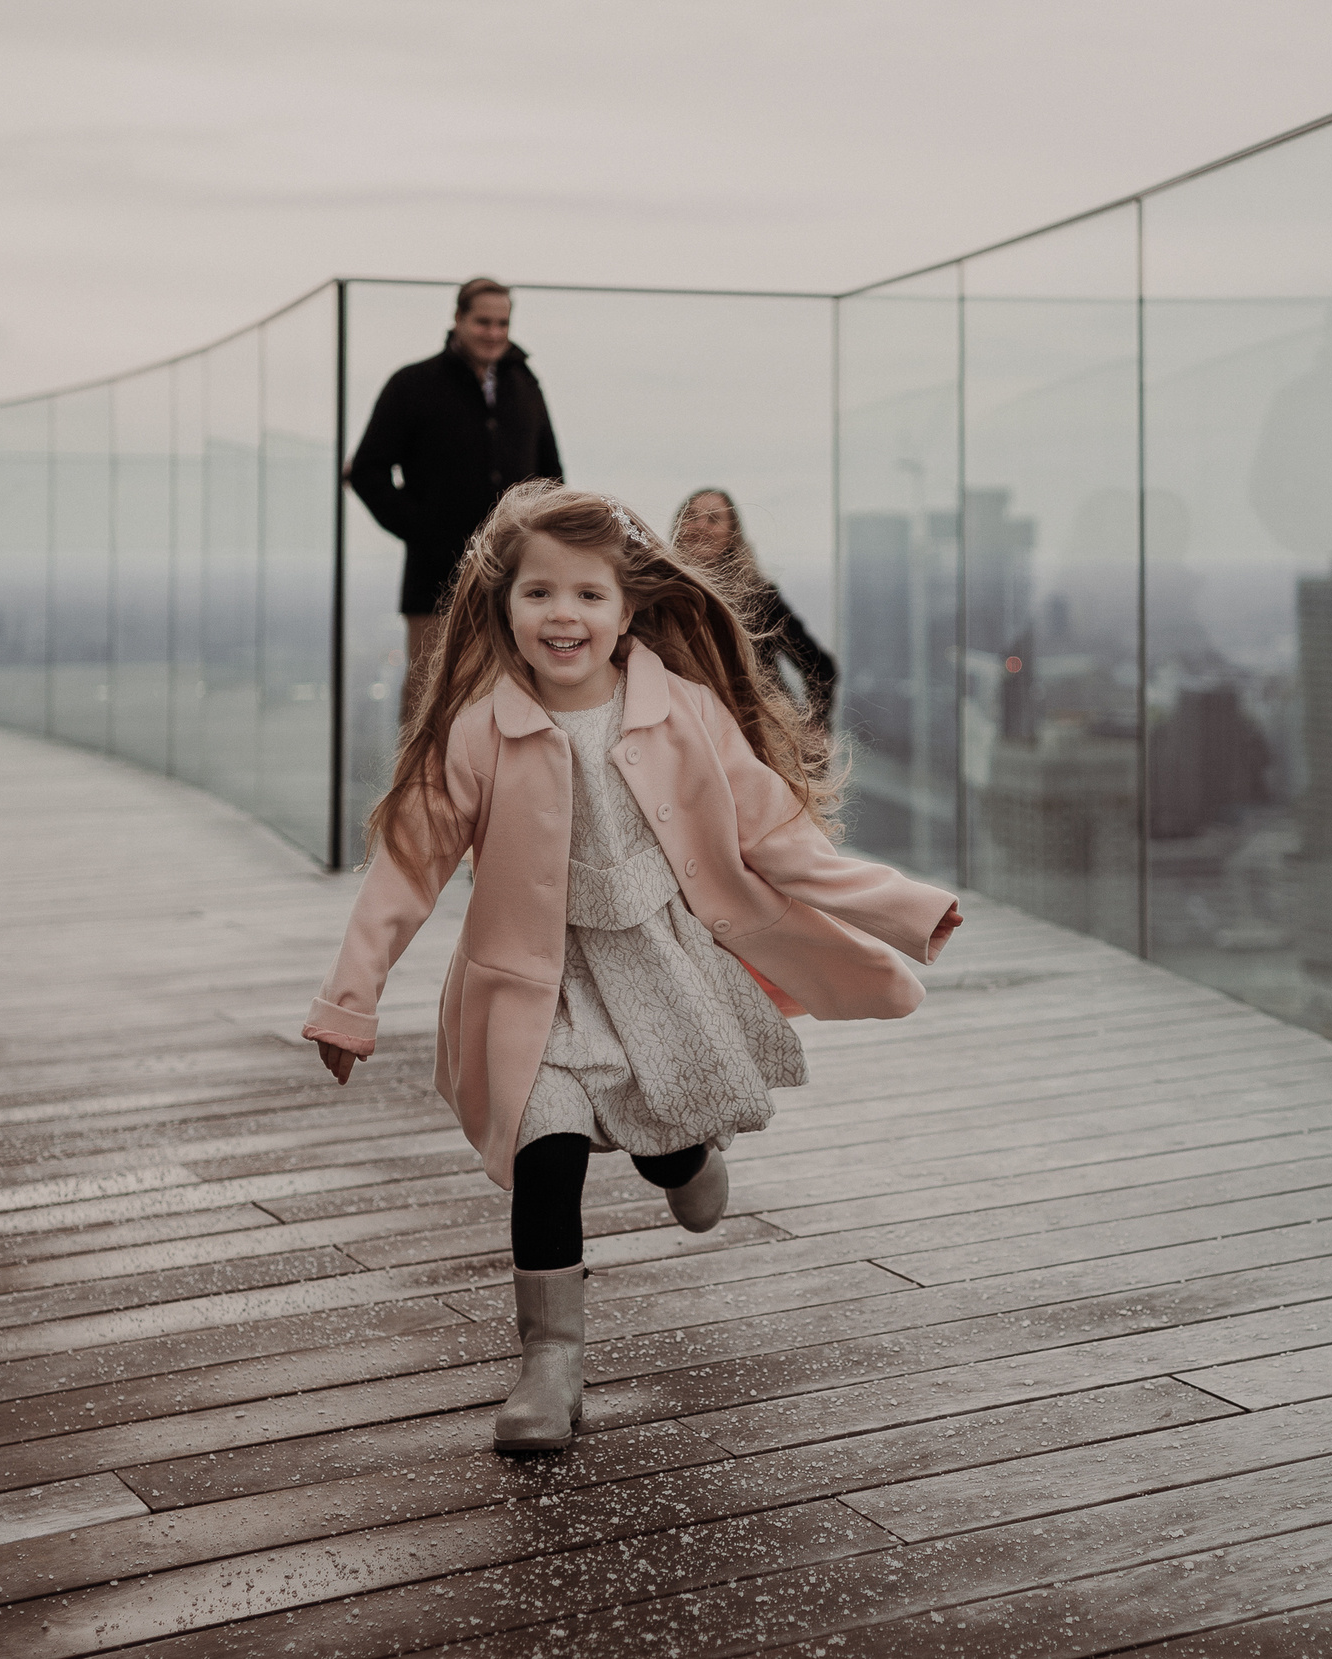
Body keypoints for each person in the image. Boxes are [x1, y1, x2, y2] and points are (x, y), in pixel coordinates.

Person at [302, 483, 962, 1453]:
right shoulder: (480, 730)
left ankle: (685, 1158)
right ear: (504, 605)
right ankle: (550, 1365)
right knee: (546, 1152)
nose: (561, 615)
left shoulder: (682, 711)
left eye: (587, 595)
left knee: (662, 1137)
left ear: (627, 610)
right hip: (536, 987)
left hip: (657, 968)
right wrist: (348, 1001)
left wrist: (901, 907)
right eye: (538, 593)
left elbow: (778, 838)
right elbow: (407, 866)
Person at [348, 278, 564, 713]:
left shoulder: (525, 385)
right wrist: (423, 530)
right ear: (458, 319)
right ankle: (422, 766)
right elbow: (366, 471)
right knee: (430, 698)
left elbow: (551, 479)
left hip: (515, 575)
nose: (494, 333)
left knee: (513, 697)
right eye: (483, 322)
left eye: (502, 323)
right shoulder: (412, 384)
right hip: (436, 579)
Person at [672, 487, 839, 724]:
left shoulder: (758, 596)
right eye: (691, 517)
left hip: (760, 731)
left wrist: (814, 727)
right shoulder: (661, 597)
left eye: (713, 519)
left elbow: (820, 666)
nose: (700, 526)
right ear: (678, 528)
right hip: (691, 729)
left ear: (732, 534)